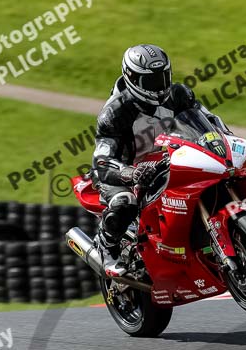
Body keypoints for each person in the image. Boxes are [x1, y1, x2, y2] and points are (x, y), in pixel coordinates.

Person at [90, 44, 229, 276]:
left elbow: (209, 120)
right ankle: (106, 247)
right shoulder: (114, 113)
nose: (160, 86)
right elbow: (103, 159)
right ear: (132, 79)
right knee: (125, 202)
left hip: (167, 159)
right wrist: (130, 173)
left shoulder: (178, 94)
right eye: (151, 81)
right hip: (121, 171)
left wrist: (224, 141)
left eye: (163, 77)